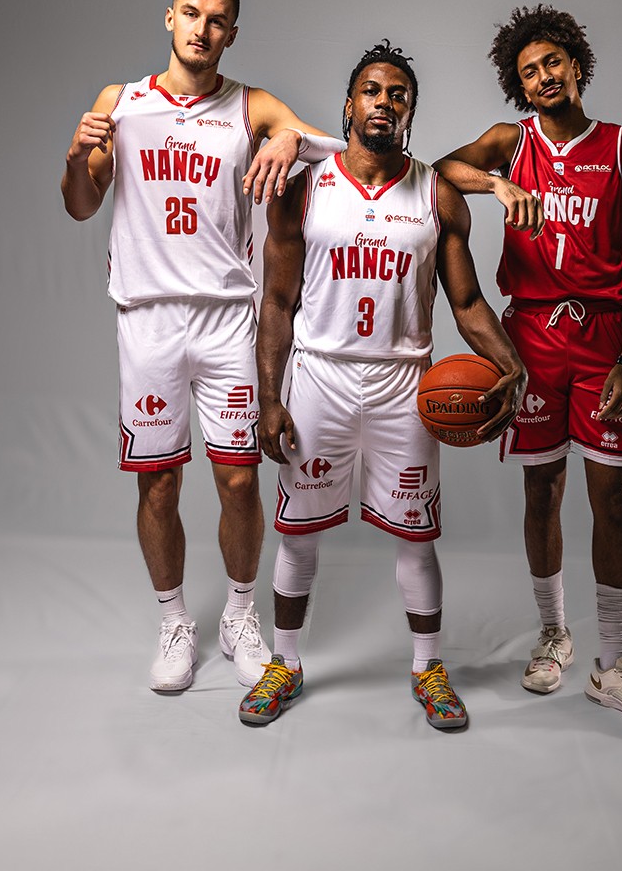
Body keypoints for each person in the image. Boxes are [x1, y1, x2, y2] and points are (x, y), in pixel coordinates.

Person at [61, 0, 345, 694]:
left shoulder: (249, 105)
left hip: (226, 319)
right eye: (191, 13)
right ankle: (174, 623)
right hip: (148, 318)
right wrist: (75, 156)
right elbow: (81, 205)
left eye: (217, 20)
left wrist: (287, 138)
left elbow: (330, 148)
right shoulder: (121, 102)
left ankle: (241, 615)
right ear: (169, 18)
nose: (201, 29)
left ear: (231, 34)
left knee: (240, 480)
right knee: (158, 483)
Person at [237, 40, 527, 729]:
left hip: (404, 385)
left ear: (410, 113)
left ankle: (428, 668)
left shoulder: (437, 194)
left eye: (399, 94)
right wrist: (269, 396)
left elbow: (466, 302)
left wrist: (510, 362)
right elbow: (276, 301)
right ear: (349, 106)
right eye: (372, 90)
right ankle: (285, 663)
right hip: (320, 377)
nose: (384, 102)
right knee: (298, 534)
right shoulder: (306, 189)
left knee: (416, 538)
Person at [434, 5, 622, 731]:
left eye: (552, 63)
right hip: (532, 335)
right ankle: (553, 632)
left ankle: (615, 664)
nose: (542, 77)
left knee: (614, 498)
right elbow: (442, 169)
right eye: (528, 71)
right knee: (541, 490)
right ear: (520, 85)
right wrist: (497, 186)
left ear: (576, 64)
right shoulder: (512, 142)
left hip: (602, 336)